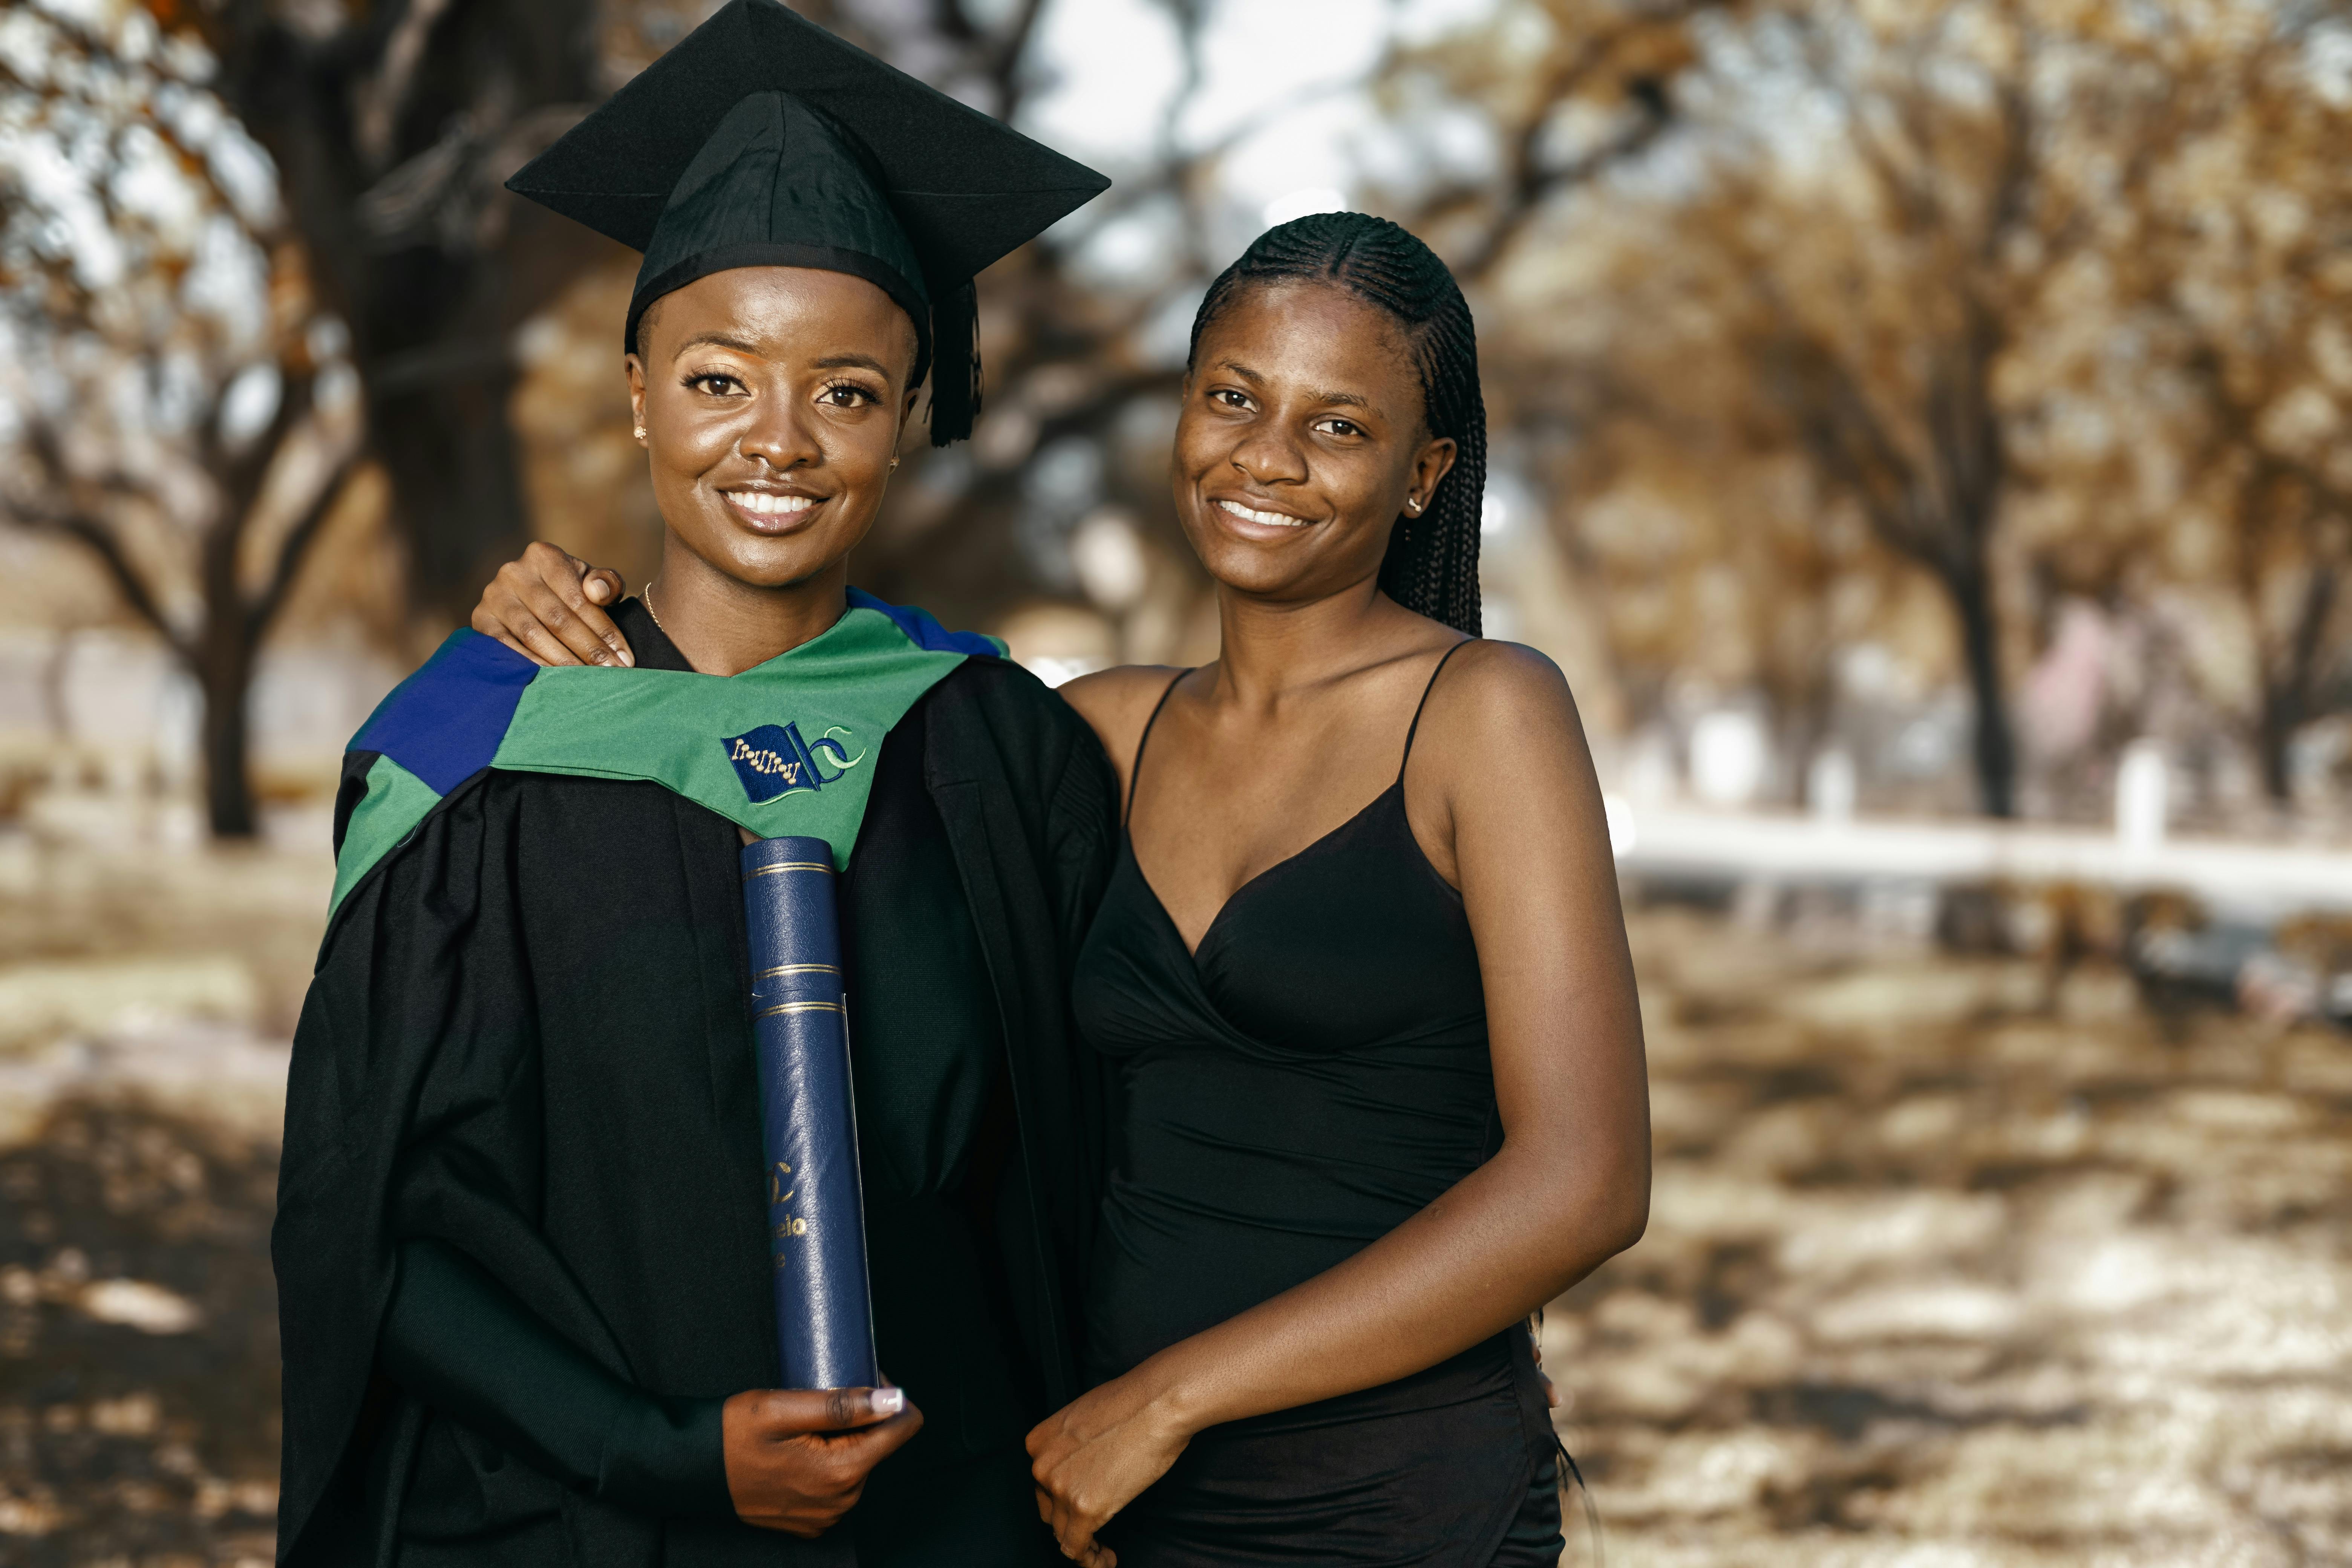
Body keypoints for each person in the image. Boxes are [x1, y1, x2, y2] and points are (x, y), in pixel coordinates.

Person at [477, 212, 1651, 1567]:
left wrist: (1169, 1401)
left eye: (1338, 427)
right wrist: (568, 614)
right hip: (1101, 1503)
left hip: (1389, 1499)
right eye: (1232, 397)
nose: (1266, 457)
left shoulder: (1485, 714)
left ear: (1424, 471)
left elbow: (1585, 1181)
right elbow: (794, 707)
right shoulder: (1093, 733)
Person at [273, 4, 1114, 1565]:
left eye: (849, 392)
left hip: (933, 1520)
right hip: (555, 1517)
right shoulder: (477, 759)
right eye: (722, 379)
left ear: (913, 413)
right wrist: (659, 1454)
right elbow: (370, 1219)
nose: (780, 441)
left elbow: (1085, 1166)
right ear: (639, 387)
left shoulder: (994, 748)